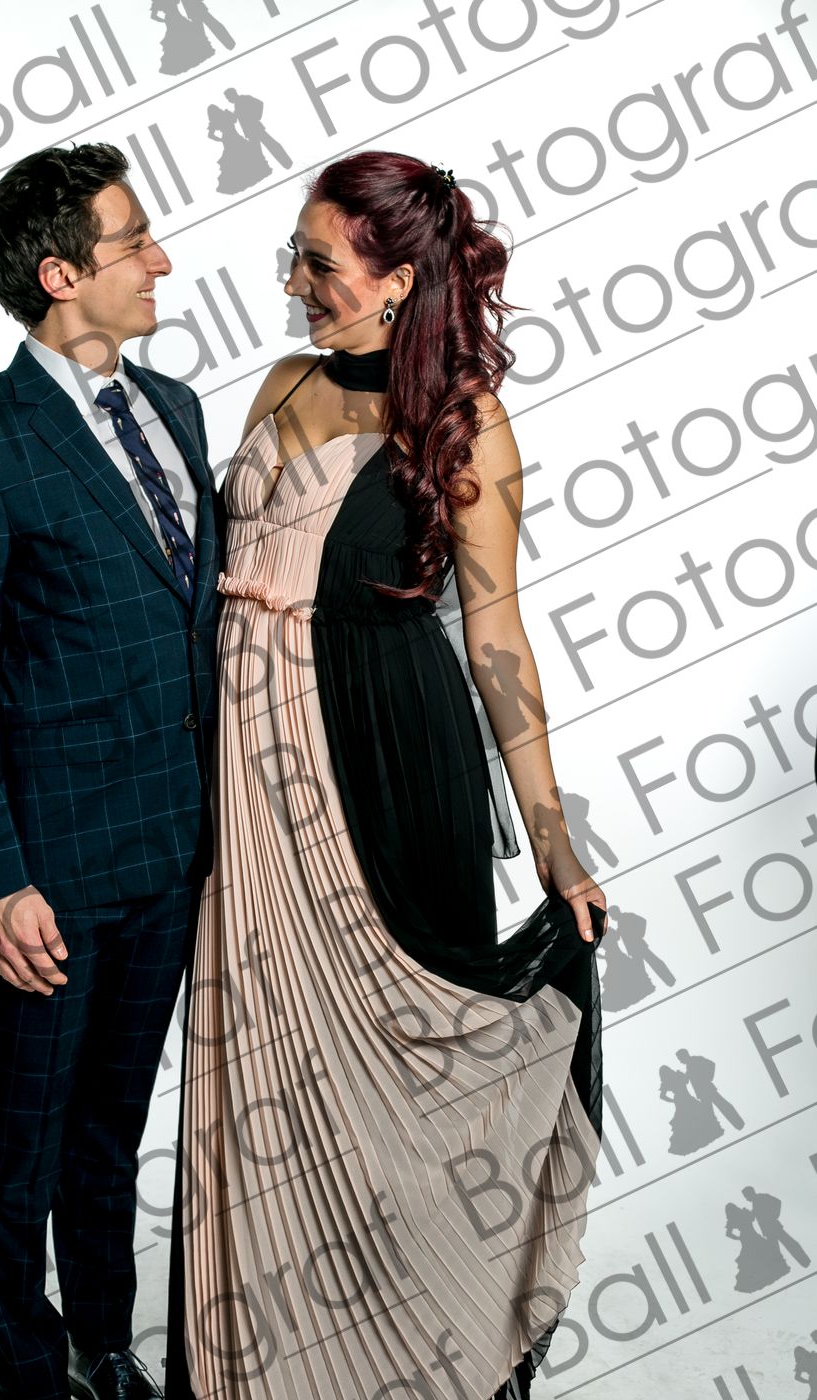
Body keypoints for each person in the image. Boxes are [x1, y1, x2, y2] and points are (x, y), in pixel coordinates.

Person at [164, 151, 608, 1400]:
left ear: (399, 278)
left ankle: (425, 1353)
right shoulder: (282, 382)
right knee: (258, 1054)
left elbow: (498, 632)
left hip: (387, 752)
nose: (294, 283)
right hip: (248, 771)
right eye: (295, 257)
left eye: (319, 263)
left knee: (408, 1060)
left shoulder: (466, 419)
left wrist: (553, 834)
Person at [0, 142, 224, 1400]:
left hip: (174, 850)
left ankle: (106, 1341)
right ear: (59, 274)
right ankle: (28, 1371)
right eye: (134, 241)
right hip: (48, 872)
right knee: (20, 1139)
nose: (161, 260)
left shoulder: (179, 408)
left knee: (111, 1130)